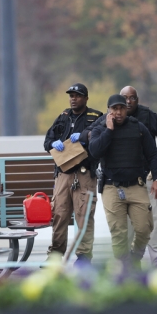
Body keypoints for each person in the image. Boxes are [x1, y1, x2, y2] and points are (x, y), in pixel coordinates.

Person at [89, 94, 157, 267]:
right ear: (109, 110)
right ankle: (124, 266)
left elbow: (152, 154)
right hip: (111, 187)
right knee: (119, 232)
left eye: (121, 108)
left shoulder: (137, 127)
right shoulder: (100, 128)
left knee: (144, 228)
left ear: (126, 109)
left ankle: (135, 257)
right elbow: (94, 152)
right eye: (114, 109)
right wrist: (108, 130)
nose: (119, 112)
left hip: (136, 185)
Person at [43, 83, 103, 265]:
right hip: (63, 174)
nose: (73, 98)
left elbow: (103, 139)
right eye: (71, 95)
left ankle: (84, 257)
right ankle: (55, 255)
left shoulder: (96, 117)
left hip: (85, 173)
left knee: (84, 215)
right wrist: (53, 143)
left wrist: (85, 137)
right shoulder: (63, 117)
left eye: (77, 95)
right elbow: (47, 141)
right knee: (60, 214)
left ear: (86, 98)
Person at [120, 86, 157, 268]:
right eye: (125, 98)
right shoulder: (113, 117)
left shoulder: (149, 116)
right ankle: (128, 260)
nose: (128, 102)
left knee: (155, 220)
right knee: (126, 223)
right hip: (125, 179)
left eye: (132, 98)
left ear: (137, 99)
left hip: (150, 176)